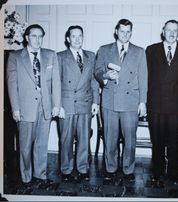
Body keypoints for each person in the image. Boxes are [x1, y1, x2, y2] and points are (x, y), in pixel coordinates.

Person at [6, 24, 61, 187]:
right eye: (34, 36)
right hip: (25, 108)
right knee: (24, 144)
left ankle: (40, 174)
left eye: (40, 36)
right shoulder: (15, 56)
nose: (38, 40)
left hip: (45, 107)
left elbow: (56, 82)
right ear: (27, 38)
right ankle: (26, 177)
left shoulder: (51, 55)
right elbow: (12, 84)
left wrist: (56, 105)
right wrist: (15, 108)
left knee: (41, 144)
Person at [94, 19, 147, 181]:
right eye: (122, 31)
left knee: (130, 139)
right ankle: (110, 168)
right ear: (116, 31)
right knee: (110, 137)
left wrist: (142, 102)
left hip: (131, 102)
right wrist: (105, 75)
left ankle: (128, 169)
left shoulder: (139, 51)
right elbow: (96, 72)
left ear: (131, 32)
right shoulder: (104, 50)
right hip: (110, 101)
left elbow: (144, 79)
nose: (125, 34)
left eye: (128, 31)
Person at [146, 20, 178, 184]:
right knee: (157, 140)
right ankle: (157, 171)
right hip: (155, 104)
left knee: (175, 140)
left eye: (175, 30)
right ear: (163, 31)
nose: (172, 33)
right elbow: (147, 78)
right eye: (169, 30)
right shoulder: (151, 50)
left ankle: (174, 172)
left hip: (176, 104)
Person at [57, 25, 99, 182]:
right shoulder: (60, 56)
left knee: (84, 137)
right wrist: (58, 105)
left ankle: (83, 167)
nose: (77, 39)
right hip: (67, 104)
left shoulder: (91, 56)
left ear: (83, 37)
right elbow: (56, 83)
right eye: (73, 36)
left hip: (86, 102)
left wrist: (96, 102)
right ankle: (66, 169)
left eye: (80, 36)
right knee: (66, 138)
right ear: (68, 39)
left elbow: (94, 81)